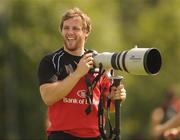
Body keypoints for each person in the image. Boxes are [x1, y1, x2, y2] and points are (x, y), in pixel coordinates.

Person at [38, 7, 126, 140]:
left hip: (96, 136)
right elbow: (48, 97)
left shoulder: (99, 61)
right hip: (63, 135)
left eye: (75, 28)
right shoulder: (51, 60)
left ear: (86, 32)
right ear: (61, 30)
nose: (70, 32)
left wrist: (117, 97)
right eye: (66, 28)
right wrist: (77, 74)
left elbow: (110, 106)